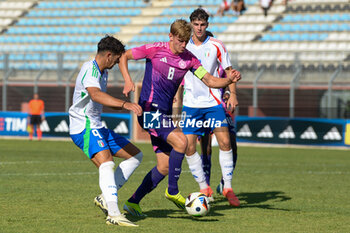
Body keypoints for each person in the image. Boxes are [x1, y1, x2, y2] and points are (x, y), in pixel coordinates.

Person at [117, 19, 241, 216]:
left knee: (164, 166)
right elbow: (124, 55)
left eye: (186, 41)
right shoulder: (154, 49)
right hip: (149, 111)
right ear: (171, 37)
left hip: (163, 114)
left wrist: (229, 80)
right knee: (182, 142)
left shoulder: (190, 59)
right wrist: (127, 80)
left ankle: (132, 203)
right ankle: (172, 191)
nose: (184, 45)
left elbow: (209, 80)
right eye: (180, 41)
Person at [68, 35, 143, 227]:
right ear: (108, 55)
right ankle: (114, 213)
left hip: (97, 126)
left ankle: (104, 197)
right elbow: (96, 94)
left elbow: (102, 100)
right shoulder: (90, 69)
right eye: (117, 59)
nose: (118, 63)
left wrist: (124, 103)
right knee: (107, 163)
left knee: (135, 156)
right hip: (83, 126)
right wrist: (125, 104)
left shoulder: (103, 72)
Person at [181, 8, 240, 207]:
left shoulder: (217, 45)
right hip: (190, 105)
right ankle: (204, 186)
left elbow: (229, 71)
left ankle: (228, 187)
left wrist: (233, 93)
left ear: (207, 25)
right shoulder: (184, 46)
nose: (199, 28)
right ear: (191, 25)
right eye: (196, 25)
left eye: (202, 24)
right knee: (189, 147)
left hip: (213, 103)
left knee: (225, 143)